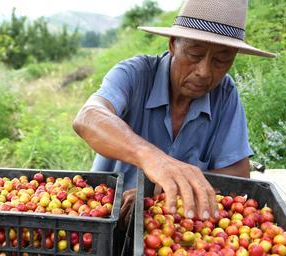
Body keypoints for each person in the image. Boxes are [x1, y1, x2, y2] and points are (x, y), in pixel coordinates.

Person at [73, 0, 274, 226]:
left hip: (179, 232)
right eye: (195, 54)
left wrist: (157, 198)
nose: (204, 72)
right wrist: (152, 158)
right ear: (172, 45)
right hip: (107, 219)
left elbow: (237, 175)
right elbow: (88, 117)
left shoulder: (224, 94)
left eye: (221, 60)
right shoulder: (135, 74)